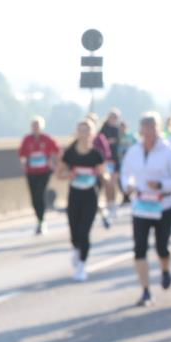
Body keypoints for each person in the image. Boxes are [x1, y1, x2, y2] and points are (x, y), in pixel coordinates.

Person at [120, 112, 171, 307]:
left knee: (162, 247)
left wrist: (161, 185)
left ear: (158, 129)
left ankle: (165, 269)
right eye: (145, 128)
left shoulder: (169, 150)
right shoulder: (134, 150)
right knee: (139, 248)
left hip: (164, 205)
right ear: (141, 130)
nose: (149, 132)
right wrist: (128, 186)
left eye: (153, 128)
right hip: (141, 206)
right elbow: (126, 173)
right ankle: (146, 290)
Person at [56, 120, 108, 281]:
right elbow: (59, 174)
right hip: (75, 194)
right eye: (81, 130)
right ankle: (76, 249)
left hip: (90, 195)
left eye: (87, 131)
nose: (84, 134)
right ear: (77, 133)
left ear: (92, 134)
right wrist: (69, 175)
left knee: (84, 230)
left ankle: (81, 266)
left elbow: (103, 174)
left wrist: (103, 177)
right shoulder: (70, 153)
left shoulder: (96, 154)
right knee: (74, 229)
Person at [18, 116, 60, 235]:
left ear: (41, 127)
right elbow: (22, 154)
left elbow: (57, 151)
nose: (35, 128)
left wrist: (52, 162)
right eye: (33, 125)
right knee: (34, 196)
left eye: (37, 125)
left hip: (44, 171)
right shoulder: (27, 139)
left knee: (40, 194)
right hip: (31, 172)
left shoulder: (47, 139)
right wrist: (23, 163)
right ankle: (38, 218)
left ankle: (42, 221)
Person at [100, 109, 124, 212]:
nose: (114, 119)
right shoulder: (104, 128)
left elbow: (117, 142)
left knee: (113, 182)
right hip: (106, 159)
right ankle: (108, 201)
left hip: (115, 159)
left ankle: (113, 202)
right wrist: (107, 142)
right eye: (112, 116)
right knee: (107, 182)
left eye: (116, 117)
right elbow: (102, 140)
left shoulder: (118, 128)